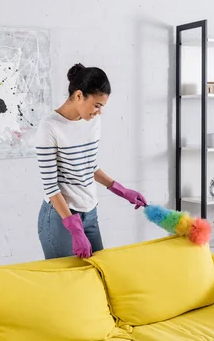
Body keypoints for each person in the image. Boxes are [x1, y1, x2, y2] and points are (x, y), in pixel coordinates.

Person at [36, 63, 147, 259]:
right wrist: (74, 228)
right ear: (79, 95)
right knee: (67, 283)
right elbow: (50, 187)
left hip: (90, 212)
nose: (99, 112)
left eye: (102, 107)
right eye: (97, 105)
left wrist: (120, 190)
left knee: (99, 274)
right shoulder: (50, 128)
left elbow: (87, 165)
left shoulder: (92, 122)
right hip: (61, 217)